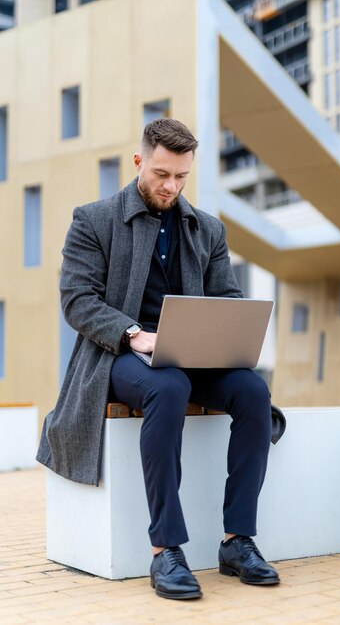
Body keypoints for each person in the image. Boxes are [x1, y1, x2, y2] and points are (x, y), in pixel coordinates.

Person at [37, 118, 280, 600]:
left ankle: (237, 541)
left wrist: (224, 331)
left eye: (181, 177)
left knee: (253, 390)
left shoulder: (207, 229)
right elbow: (77, 299)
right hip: (118, 357)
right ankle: (165, 549)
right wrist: (132, 334)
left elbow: (226, 298)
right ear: (139, 162)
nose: (171, 186)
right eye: (161, 174)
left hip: (193, 357)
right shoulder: (93, 219)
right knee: (167, 387)